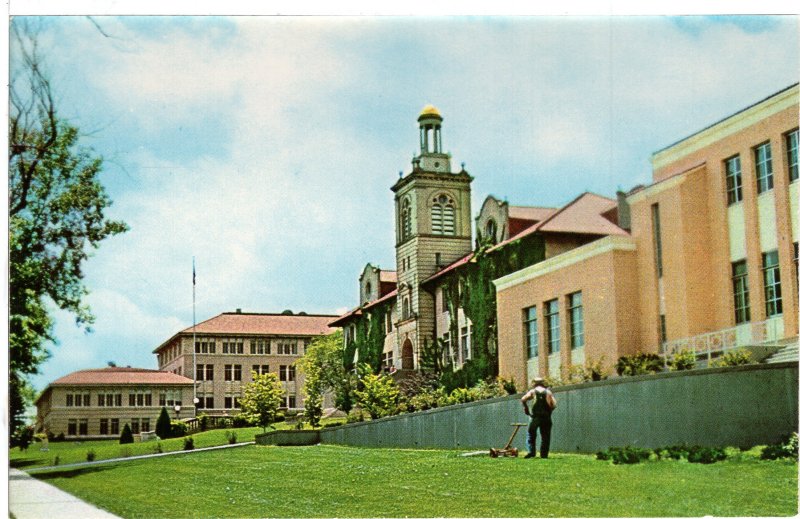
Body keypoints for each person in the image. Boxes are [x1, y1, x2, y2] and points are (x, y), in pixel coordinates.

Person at [521, 377, 557, 458]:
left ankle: (531, 452)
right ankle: (544, 455)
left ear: (534, 384)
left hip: (535, 417)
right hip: (546, 417)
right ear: (543, 383)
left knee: (531, 435)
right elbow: (554, 405)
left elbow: (523, 399)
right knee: (546, 437)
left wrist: (526, 408)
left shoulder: (533, 391)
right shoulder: (548, 392)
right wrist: (549, 412)